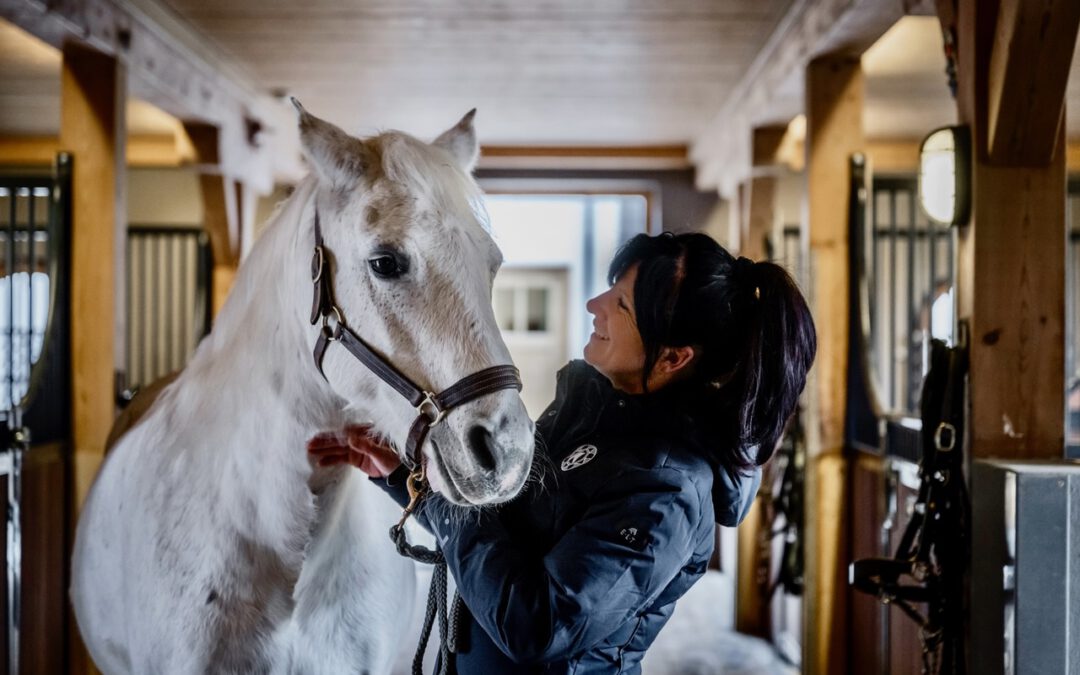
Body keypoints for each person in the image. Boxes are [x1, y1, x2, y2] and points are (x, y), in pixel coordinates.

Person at [309, 231, 817, 674]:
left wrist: (447, 507)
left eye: (620, 304)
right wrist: (403, 474)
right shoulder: (590, 410)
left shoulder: (667, 491)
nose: (595, 304)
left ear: (672, 358)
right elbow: (502, 528)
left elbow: (537, 626)